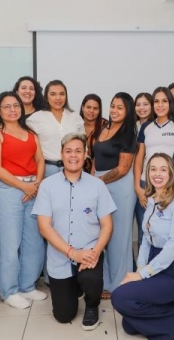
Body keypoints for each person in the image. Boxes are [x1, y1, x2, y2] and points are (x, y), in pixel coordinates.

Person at [113, 153, 174, 340]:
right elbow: (146, 239)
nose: (157, 174)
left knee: (120, 297)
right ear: (148, 173)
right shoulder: (152, 199)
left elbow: (173, 247)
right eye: (153, 169)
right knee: (128, 326)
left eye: (163, 169)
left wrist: (141, 275)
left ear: (171, 173)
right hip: (154, 265)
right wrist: (140, 269)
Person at [33, 134, 116, 330]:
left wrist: (95, 252)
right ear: (61, 154)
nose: (73, 156)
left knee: (91, 278)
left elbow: (107, 225)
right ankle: (75, 286)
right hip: (61, 256)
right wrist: (72, 253)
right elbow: (44, 227)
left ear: (86, 155)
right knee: (63, 315)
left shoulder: (97, 185)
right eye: (68, 151)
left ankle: (92, 303)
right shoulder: (47, 186)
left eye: (78, 151)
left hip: (89, 252)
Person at [0, 91, 47, 309]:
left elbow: (40, 160)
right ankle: (9, 290)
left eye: (16, 105)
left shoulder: (31, 132)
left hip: (33, 189)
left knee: (34, 242)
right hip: (8, 190)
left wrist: (36, 184)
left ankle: (27, 286)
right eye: (7, 106)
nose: (12, 110)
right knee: (9, 244)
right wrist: (24, 187)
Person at [92, 92, 137, 298]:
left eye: (120, 107)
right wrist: (92, 179)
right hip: (99, 183)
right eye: (112, 106)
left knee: (119, 236)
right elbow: (96, 157)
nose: (114, 110)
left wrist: (98, 182)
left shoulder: (129, 134)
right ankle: (105, 280)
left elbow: (123, 168)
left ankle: (119, 284)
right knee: (103, 234)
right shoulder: (104, 127)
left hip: (119, 186)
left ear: (127, 111)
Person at [134, 87, 174, 238]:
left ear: (170, 103)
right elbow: (139, 159)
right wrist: (137, 187)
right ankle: (145, 263)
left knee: (173, 234)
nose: (160, 105)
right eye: (156, 101)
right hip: (146, 186)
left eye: (164, 101)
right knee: (146, 232)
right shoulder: (146, 127)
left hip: (172, 185)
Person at [26, 80, 85, 178]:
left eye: (62, 94)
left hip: (74, 168)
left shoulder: (75, 117)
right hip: (46, 170)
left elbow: (83, 146)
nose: (58, 98)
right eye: (53, 94)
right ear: (47, 97)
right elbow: (29, 150)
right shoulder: (35, 119)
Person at [81, 93, 106, 172]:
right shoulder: (75, 125)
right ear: (82, 107)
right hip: (77, 172)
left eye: (95, 108)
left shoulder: (106, 127)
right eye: (88, 107)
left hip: (100, 173)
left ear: (99, 110)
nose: (91, 111)